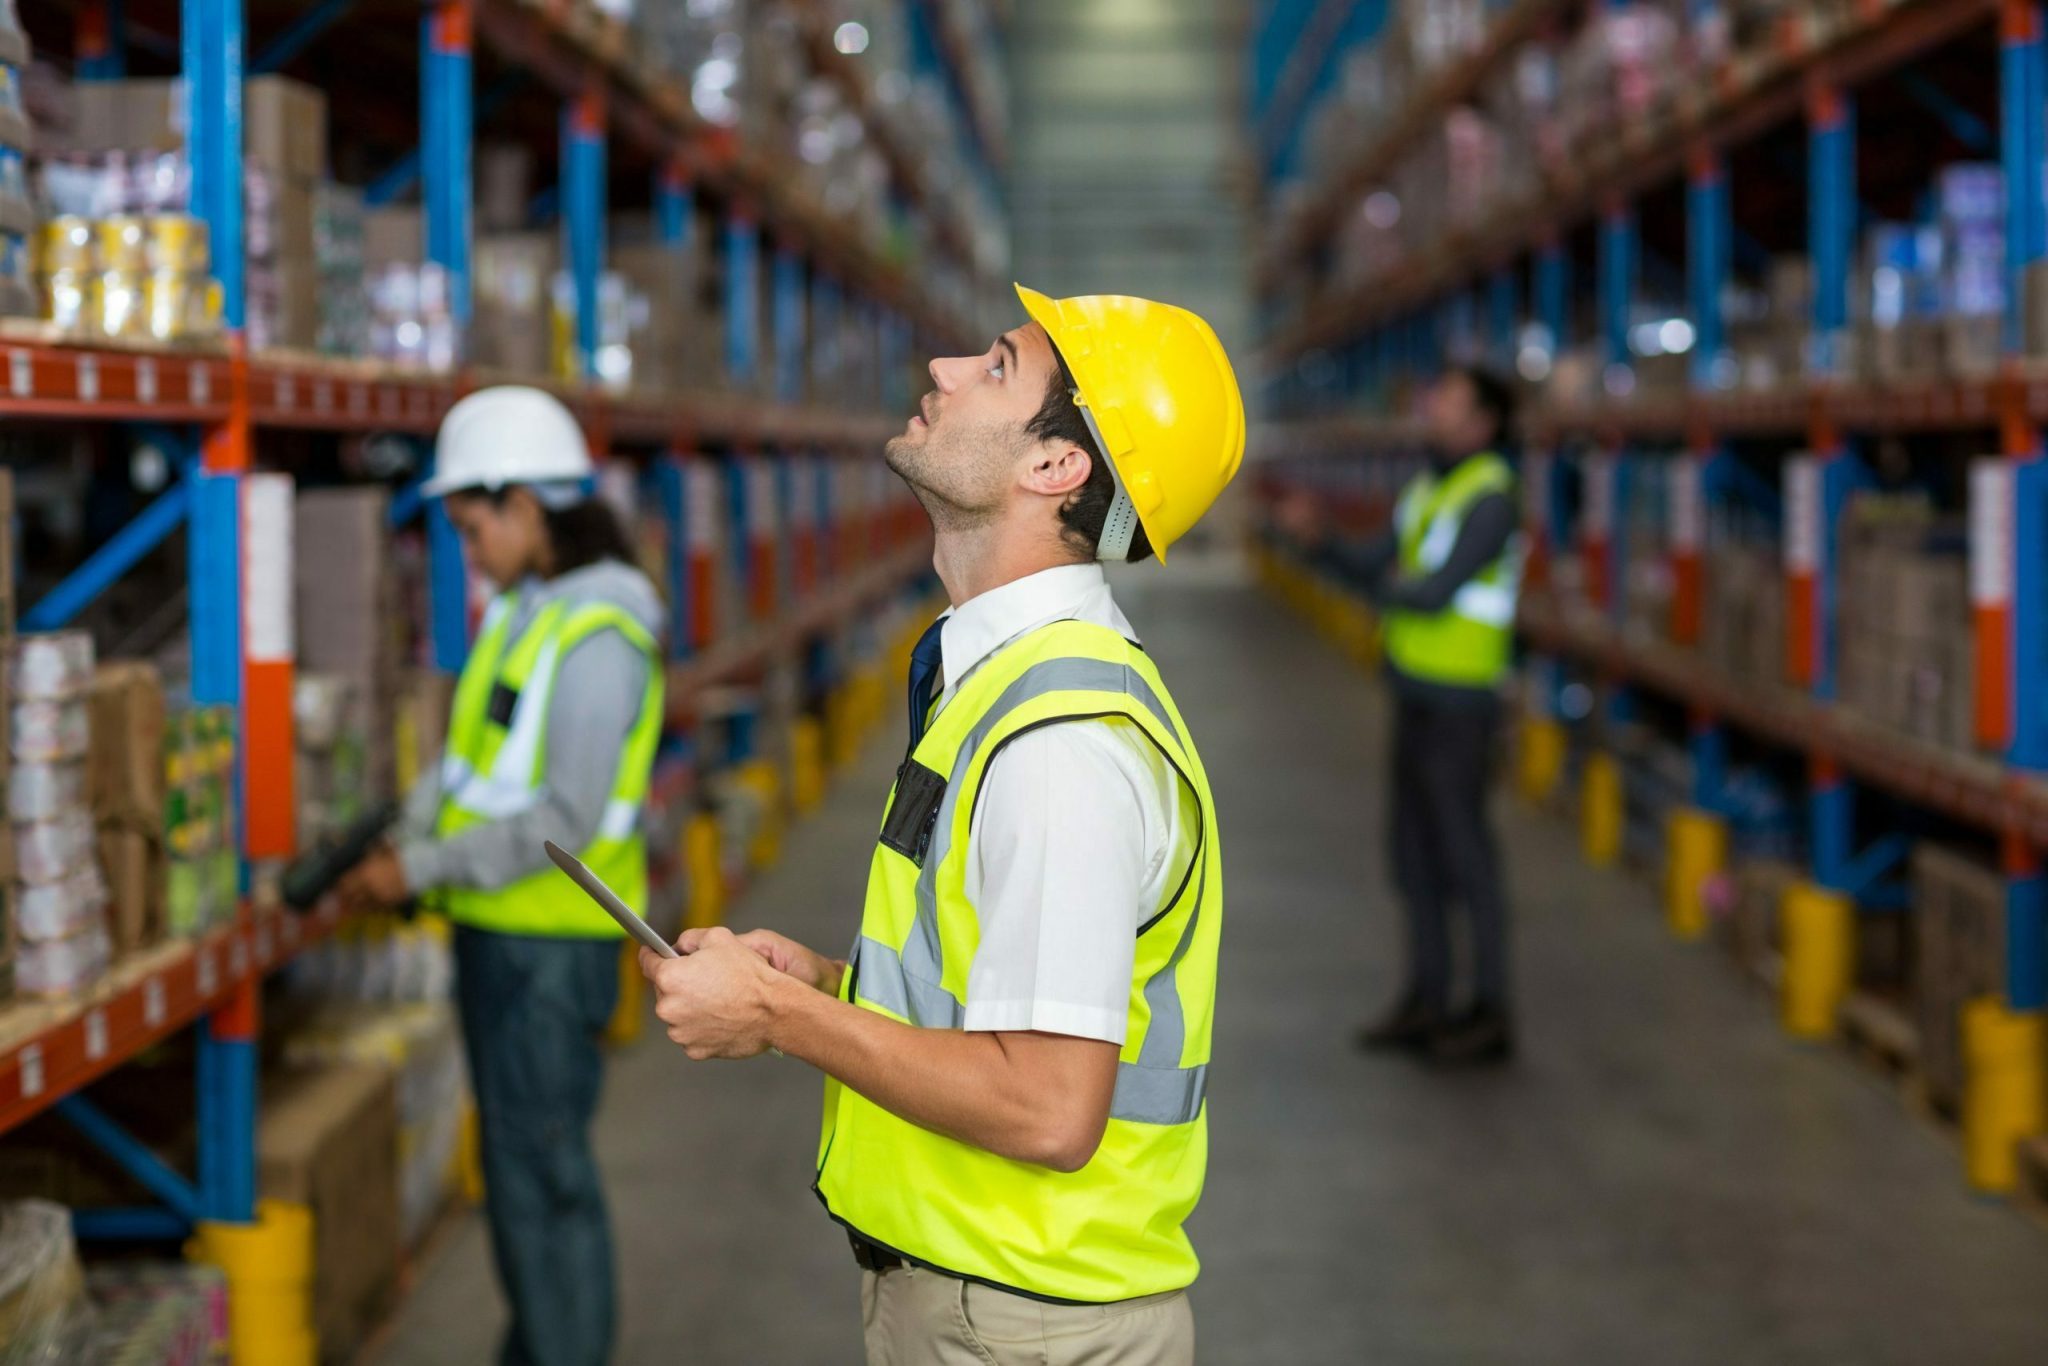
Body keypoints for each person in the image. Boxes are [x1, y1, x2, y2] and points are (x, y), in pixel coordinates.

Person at [638, 286, 1242, 1365]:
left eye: (998, 367)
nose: (946, 369)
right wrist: (829, 983)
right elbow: (997, 993)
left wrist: (776, 1013)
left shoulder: (1059, 748)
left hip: (1024, 1323)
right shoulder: (997, 681)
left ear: (1054, 468)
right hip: (986, 1301)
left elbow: (1051, 1108)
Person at [338, 384, 665, 1366]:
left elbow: (561, 817)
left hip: (547, 950)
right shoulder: (529, 610)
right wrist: (395, 834)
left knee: (543, 1182)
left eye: (473, 525)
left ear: (526, 507)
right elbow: (473, 763)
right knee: (523, 1178)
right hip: (499, 932)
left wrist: (421, 867)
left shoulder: (599, 634)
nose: (466, 549)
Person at [1278, 366, 1522, 1067]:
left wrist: (1385, 586)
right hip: (1414, 693)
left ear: (1484, 424)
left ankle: (1490, 1011)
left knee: (1465, 856)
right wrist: (1318, 538)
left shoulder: (1491, 499)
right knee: (1413, 857)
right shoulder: (1426, 490)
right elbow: (1373, 564)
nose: (1432, 407)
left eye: (1449, 401)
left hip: (1463, 705)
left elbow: (1434, 593)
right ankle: (1428, 998)